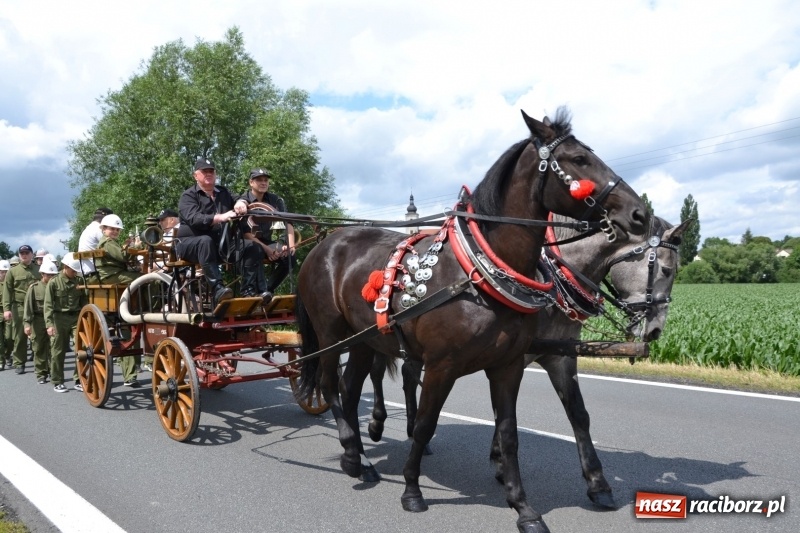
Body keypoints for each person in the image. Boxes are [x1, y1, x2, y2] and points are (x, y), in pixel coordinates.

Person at [175, 158, 268, 305]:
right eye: (204, 171)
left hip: (219, 245)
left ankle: (248, 291)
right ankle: (218, 289)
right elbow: (195, 218)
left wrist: (241, 202)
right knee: (205, 241)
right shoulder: (188, 196)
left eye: (211, 171)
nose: (208, 174)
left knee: (253, 247)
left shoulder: (224, 192)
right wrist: (220, 217)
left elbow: (240, 198)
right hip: (189, 244)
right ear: (195, 176)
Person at [238, 168, 297, 302]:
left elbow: (288, 222)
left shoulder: (275, 200)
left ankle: (268, 290)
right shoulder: (244, 200)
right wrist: (268, 250)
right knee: (256, 250)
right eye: (259, 180)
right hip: (248, 244)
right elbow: (246, 234)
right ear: (251, 182)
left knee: (290, 257)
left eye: (266, 180)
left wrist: (289, 245)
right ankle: (258, 291)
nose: (263, 183)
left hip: (266, 242)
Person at [44, 253, 87, 393]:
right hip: (59, 319)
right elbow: (48, 305)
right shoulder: (54, 282)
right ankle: (57, 381)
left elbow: (84, 302)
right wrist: (49, 324)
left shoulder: (79, 280)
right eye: (73, 270)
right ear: (65, 267)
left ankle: (79, 379)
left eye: (76, 271)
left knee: (82, 349)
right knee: (58, 351)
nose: (75, 273)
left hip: (76, 318)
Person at [2, 245, 41, 374]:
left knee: (39, 335)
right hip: (19, 306)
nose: (24, 255)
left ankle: (41, 363)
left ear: (32, 254)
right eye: (22, 253)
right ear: (19, 255)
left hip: (36, 306)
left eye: (26, 253)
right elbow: (7, 291)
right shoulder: (13, 272)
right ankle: (19, 362)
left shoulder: (39, 270)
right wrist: (7, 309)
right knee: (20, 336)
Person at [24, 260, 58, 384]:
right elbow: (28, 307)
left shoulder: (57, 287)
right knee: (38, 347)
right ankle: (41, 373)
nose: (51, 277)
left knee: (54, 348)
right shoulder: (34, 288)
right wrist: (27, 324)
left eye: (53, 275)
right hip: (38, 320)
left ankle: (53, 372)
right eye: (48, 275)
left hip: (54, 319)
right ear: (42, 274)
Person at [95, 214, 141, 284]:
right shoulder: (108, 243)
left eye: (118, 230)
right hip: (113, 275)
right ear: (104, 229)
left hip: (112, 274)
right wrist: (136, 247)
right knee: (147, 278)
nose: (115, 231)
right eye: (112, 229)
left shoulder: (109, 242)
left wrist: (127, 246)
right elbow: (123, 256)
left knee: (143, 275)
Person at [78, 207, 114, 278]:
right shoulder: (99, 229)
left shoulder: (89, 228)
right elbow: (112, 248)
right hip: (97, 274)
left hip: (87, 273)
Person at [0, 259, 13, 370]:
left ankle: (7, 354)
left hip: (9, 312)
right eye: (1, 271)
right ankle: (1, 361)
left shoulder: (11, 283)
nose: (3, 274)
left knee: (9, 338)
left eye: (5, 272)